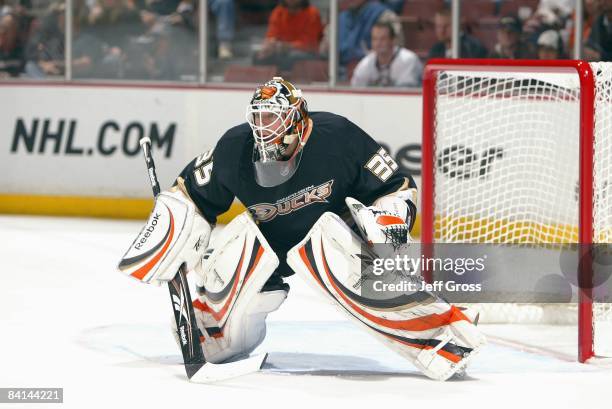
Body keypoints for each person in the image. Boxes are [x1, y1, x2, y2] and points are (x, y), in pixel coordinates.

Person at [119, 77, 486, 381]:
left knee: (339, 256)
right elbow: (193, 195)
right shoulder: (235, 148)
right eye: (259, 118)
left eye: (274, 119)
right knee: (227, 303)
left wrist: (386, 228)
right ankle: (210, 328)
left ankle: (442, 335)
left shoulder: (338, 136)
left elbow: (395, 186)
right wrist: (173, 229)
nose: (264, 129)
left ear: (297, 119)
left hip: (331, 236)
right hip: (270, 245)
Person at [254, 0, 323, 71]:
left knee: (292, 57)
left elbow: (310, 44)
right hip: (282, 51)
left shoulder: (312, 13)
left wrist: (288, 46)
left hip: (308, 53)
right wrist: (270, 45)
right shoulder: (278, 11)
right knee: (259, 55)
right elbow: (272, 35)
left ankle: (287, 80)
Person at [351, 21, 421, 87]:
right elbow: (355, 90)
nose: (378, 43)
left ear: (393, 40)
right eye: (374, 39)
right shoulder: (366, 64)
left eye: (383, 39)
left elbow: (405, 93)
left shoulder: (408, 60)